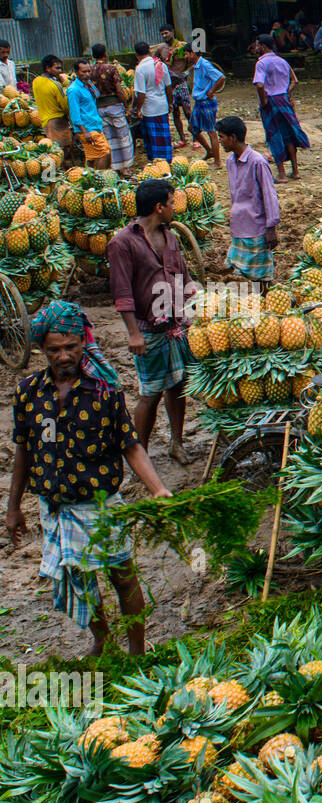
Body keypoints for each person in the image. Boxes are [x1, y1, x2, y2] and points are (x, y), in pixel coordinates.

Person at [7, 302, 172, 657]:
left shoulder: (104, 391)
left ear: (83, 343)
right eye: (54, 350)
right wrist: (13, 508)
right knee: (80, 579)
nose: (64, 356)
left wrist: (158, 489)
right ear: (42, 350)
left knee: (122, 575)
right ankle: (101, 639)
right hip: (55, 505)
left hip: (99, 504)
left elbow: (130, 445)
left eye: (71, 347)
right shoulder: (28, 392)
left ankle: (137, 649)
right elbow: (23, 451)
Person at [106, 178, 197, 464]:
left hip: (176, 325)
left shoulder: (170, 236)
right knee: (150, 393)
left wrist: (196, 306)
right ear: (159, 207)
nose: (174, 208)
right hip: (148, 329)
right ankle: (139, 454)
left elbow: (183, 274)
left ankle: (176, 442)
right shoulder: (122, 242)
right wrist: (134, 334)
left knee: (178, 384)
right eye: (171, 203)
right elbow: (122, 291)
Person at [217, 116, 281, 292]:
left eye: (222, 137)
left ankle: (266, 304)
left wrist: (271, 228)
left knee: (260, 277)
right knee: (240, 271)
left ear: (233, 138)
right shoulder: (230, 162)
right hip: (240, 226)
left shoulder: (258, 162)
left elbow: (269, 196)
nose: (219, 141)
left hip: (257, 229)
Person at [253, 35, 310, 182]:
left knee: (274, 135)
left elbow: (259, 84)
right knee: (289, 135)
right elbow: (294, 81)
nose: (256, 48)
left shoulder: (261, 63)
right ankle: (295, 171)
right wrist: (287, 93)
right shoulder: (282, 61)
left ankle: (282, 174)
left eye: (258, 45)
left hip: (271, 102)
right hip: (284, 100)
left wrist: (264, 100)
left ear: (263, 47)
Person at [90, 45, 134, 174]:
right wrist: (126, 106)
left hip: (99, 109)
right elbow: (119, 89)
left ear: (93, 56)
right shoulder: (111, 68)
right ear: (105, 54)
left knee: (109, 140)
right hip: (114, 107)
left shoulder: (90, 70)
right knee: (123, 137)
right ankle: (125, 168)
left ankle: (114, 167)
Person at [66, 59, 110, 172]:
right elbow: (74, 114)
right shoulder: (74, 90)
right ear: (76, 72)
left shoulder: (88, 85)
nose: (87, 74)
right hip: (87, 128)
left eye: (88, 71)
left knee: (91, 156)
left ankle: (89, 179)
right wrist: (84, 131)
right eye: (83, 72)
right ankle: (100, 177)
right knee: (104, 153)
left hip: (94, 124)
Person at [132, 42, 173, 162]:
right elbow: (168, 87)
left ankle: (156, 162)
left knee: (152, 137)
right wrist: (170, 102)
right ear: (149, 51)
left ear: (136, 55)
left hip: (149, 108)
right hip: (162, 105)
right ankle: (167, 161)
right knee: (164, 135)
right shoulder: (160, 64)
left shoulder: (140, 69)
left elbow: (140, 93)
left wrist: (138, 109)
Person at [186, 44, 226, 165]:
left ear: (193, 53)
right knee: (192, 128)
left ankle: (218, 162)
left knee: (211, 131)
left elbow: (221, 78)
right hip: (200, 102)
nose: (186, 57)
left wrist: (212, 91)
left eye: (187, 54)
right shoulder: (196, 65)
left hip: (206, 102)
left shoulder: (204, 65)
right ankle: (210, 151)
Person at [158, 25, 191, 148]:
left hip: (181, 83)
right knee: (175, 112)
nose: (164, 36)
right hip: (169, 86)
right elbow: (155, 61)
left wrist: (186, 72)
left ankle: (196, 137)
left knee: (187, 111)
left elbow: (192, 61)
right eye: (162, 34)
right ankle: (182, 139)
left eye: (166, 33)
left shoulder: (182, 46)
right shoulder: (161, 49)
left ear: (172, 32)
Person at [33, 55, 71, 151]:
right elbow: (64, 105)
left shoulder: (35, 81)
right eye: (57, 68)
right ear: (48, 68)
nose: (60, 71)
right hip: (58, 120)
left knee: (54, 150)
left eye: (60, 68)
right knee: (63, 150)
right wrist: (65, 84)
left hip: (45, 121)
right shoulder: (55, 85)